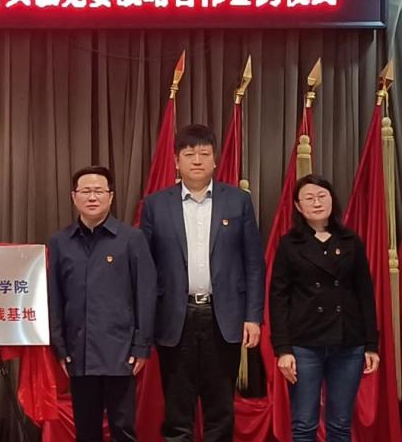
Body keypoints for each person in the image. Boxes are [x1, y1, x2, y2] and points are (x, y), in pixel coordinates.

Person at [140, 124, 265, 442]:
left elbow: (253, 263)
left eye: (204, 154)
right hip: (175, 318)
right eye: (189, 154)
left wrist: (253, 316)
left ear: (215, 159)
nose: (197, 160)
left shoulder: (237, 201)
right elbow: (145, 268)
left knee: (220, 409)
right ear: (176, 161)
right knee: (177, 411)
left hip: (223, 318)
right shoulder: (155, 204)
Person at [48, 166, 157, 442]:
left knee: (123, 428)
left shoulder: (131, 239)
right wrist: (59, 346)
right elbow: (54, 297)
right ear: (74, 196)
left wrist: (141, 346)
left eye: (99, 191)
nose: (92, 197)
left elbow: (145, 294)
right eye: (85, 191)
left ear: (111, 196)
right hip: (78, 350)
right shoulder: (60, 242)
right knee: (86, 430)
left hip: (121, 351)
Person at [269, 174, 379, 442]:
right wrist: (283, 349)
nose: (316, 203)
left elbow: (365, 294)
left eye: (322, 196)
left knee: (340, 424)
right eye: (309, 198)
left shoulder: (350, 240)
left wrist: (371, 345)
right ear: (298, 206)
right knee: (304, 424)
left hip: (348, 343)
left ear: (332, 199)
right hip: (305, 343)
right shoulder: (289, 244)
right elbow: (278, 298)